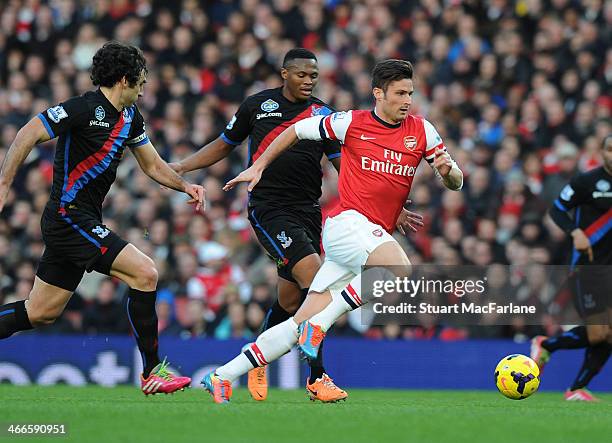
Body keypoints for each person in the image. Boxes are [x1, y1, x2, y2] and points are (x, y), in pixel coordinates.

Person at [201, 59, 463, 403]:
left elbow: (456, 182)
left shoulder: (423, 131)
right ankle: (321, 325)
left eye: (410, 93)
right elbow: (294, 130)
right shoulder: (350, 123)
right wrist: (260, 165)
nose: (407, 101)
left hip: (364, 238)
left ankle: (222, 375)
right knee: (401, 269)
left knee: (297, 325)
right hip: (348, 225)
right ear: (378, 93)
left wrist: (447, 173)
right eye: (400, 93)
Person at [0, 41, 205, 395]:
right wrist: (4, 182)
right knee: (145, 272)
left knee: (40, 312)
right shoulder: (83, 108)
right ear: (124, 79)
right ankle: (152, 371)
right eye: (141, 81)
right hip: (69, 216)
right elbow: (28, 132)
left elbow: (153, 164)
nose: (144, 90)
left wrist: (184, 185)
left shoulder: (130, 118)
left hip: (79, 220)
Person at [531, 135, 612, 402]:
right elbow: (556, 210)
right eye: (610, 149)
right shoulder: (586, 181)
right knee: (599, 333)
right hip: (587, 268)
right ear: (601, 153)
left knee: (608, 334)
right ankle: (547, 345)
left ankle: (577, 389)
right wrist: (574, 231)